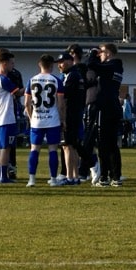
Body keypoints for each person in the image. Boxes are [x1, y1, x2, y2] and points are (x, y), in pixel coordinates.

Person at [87, 42, 125, 187]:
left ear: (108, 53)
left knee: (103, 144)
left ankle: (104, 176)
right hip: (114, 107)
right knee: (113, 145)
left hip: (105, 107)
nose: (99, 55)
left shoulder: (110, 66)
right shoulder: (118, 67)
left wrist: (92, 54)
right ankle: (116, 176)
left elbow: (92, 65)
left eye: (101, 52)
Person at [25, 54, 65, 186]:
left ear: (39, 64)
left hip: (37, 120)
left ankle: (32, 179)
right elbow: (60, 104)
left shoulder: (32, 80)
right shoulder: (56, 80)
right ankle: (53, 179)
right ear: (52, 66)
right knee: (52, 149)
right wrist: (62, 119)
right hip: (52, 119)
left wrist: (31, 118)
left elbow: (26, 103)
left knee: (34, 149)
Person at [0, 50, 22, 183]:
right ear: (4, 63)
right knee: (6, 148)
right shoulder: (3, 79)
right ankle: (3, 176)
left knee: (2, 147)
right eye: (11, 63)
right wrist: (32, 87)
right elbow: (18, 92)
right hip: (5, 117)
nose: (13, 66)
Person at [56, 51, 86, 185]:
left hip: (69, 114)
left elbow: (64, 94)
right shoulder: (77, 75)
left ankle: (69, 176)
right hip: (76, 113)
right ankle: (74, 176)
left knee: (66, 146)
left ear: (69, 61)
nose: (60, 66)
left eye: (62, 62)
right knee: (72, 146)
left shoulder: (71, 76)